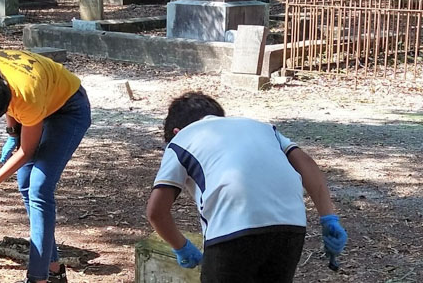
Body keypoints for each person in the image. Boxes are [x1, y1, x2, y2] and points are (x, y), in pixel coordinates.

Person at [146, 92, 348, 282]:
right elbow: (306, 164)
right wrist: (328, 217)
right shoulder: (263, 127)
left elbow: (156, 212)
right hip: (290, 225)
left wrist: (181, 247)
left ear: (176, 131)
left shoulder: (181, 139)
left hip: (232, 228)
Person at [0, 50, 91, 283]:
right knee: (25, 183)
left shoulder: (27, 95)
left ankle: (37, 277)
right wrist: (12, 132)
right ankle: (53, 269)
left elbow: (25, 151)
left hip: (68, 109)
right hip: (39, 102)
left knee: (39, 188)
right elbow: (10, 108)